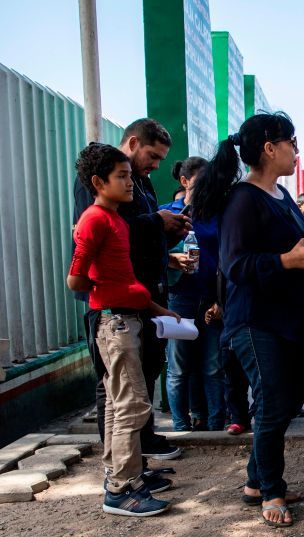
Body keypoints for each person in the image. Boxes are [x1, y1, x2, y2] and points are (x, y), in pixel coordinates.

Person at [191, 112, 304, 528]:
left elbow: (297, 249)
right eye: (292, 142)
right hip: (256, 320)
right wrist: (287, 260)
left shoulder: (280, 195)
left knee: (289, 400)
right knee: (274, 402)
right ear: (270, 148)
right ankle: (271, 490)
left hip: (289, 316)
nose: (297, 150)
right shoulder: (243, 198)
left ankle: (257, 481)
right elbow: (234, 265)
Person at [66, 142, 181, 516]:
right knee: (133, 404)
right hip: (113, 322)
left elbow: (126, 278)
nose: (130, 183)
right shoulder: (96, 219)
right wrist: (109, 297)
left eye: (130, 175)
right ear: (99, 182)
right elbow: (76, 280)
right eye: (122, 177)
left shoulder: (116, 219)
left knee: (121, 405)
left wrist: (157, 307)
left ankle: (121, 475)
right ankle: (121, 488)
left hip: (126, 317)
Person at [160, 157, 225, 433]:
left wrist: (221, 300)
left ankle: (215, 427)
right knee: (178, 368)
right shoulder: (166, 214)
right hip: (180, 300)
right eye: (200, 183)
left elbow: (226, 258)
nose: (206, 188)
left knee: (212, 366)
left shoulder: (216, 215)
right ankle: (180, 427)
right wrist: (171, 258)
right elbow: (146, 254)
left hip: (211, 299)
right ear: (184, 182)